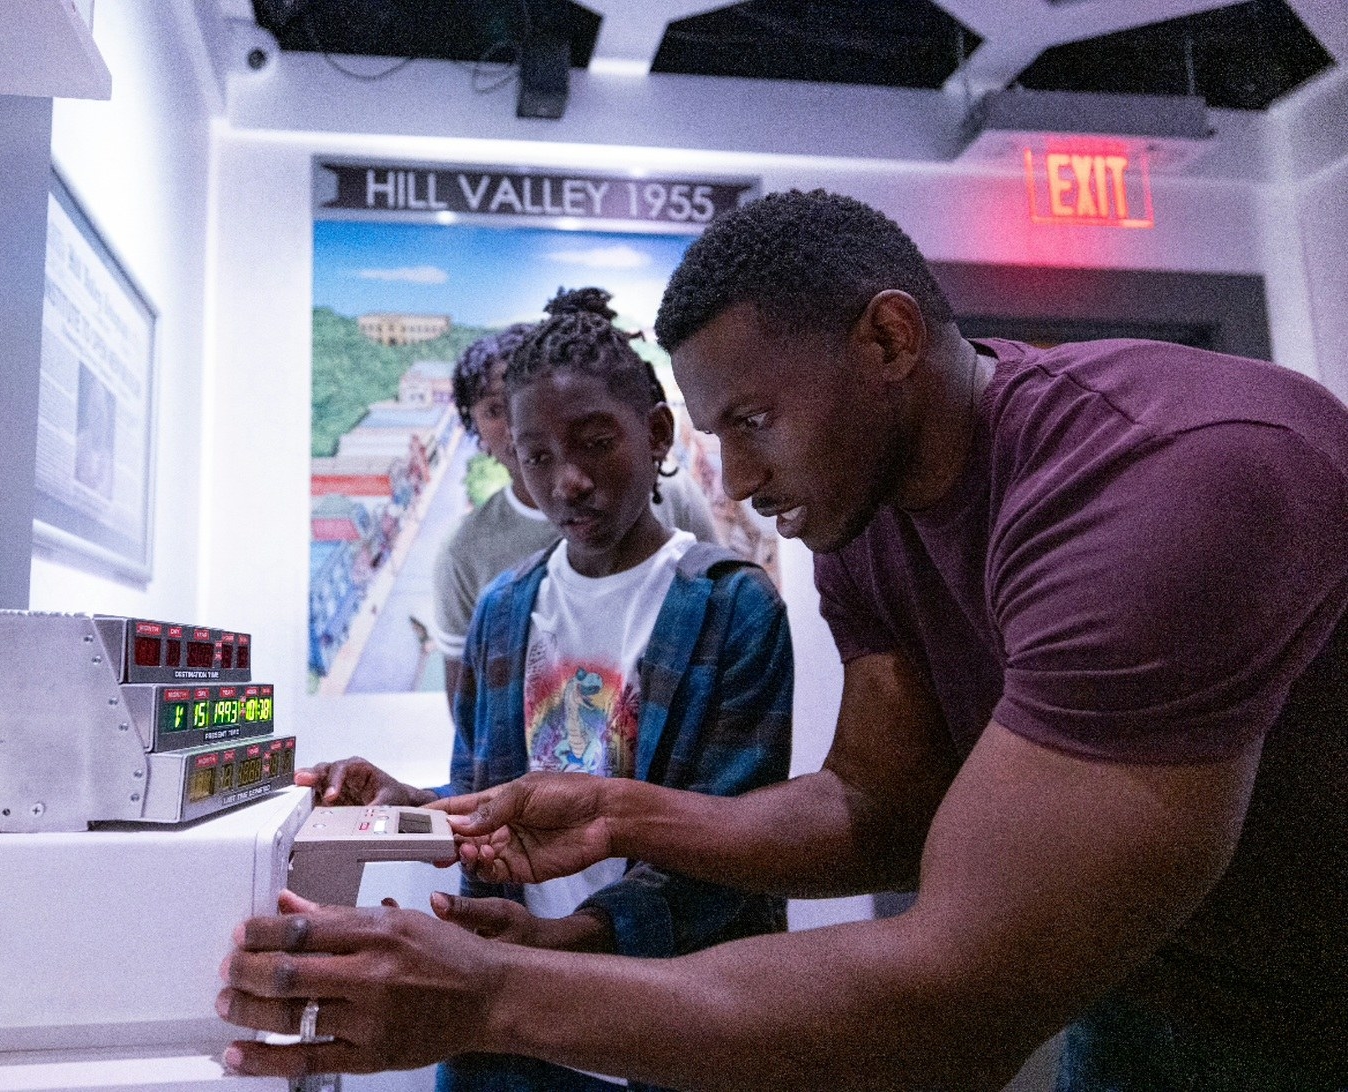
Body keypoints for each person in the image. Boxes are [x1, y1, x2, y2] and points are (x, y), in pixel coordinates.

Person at [217, 191, 1348, 1091]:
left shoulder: (1172, 484)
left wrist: (491, 995)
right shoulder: (864, 514)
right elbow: (878, 806)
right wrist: (618, 810)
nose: (745, 483)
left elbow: (954, 1002)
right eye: (722, 438)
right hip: (1155, 986)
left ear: (890, 337)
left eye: (755, 424)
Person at [286, 287, 795, 1091]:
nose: (571, 482)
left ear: (657, 433)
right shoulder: (503, 608)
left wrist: (572, 940)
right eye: (539, 456)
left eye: (596, 444)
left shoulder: (732, 605)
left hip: (669, 1020)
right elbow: (497, 799)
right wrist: (411, 802)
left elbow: (734, 848)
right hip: (510, 1029)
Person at [432, 319, 720, 707]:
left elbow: (714, 593)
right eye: (493, 410)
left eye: (596, 442)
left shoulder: (674, 497)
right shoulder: (481, 575)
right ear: (474, 423)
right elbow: (473, 718)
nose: (570, 484)